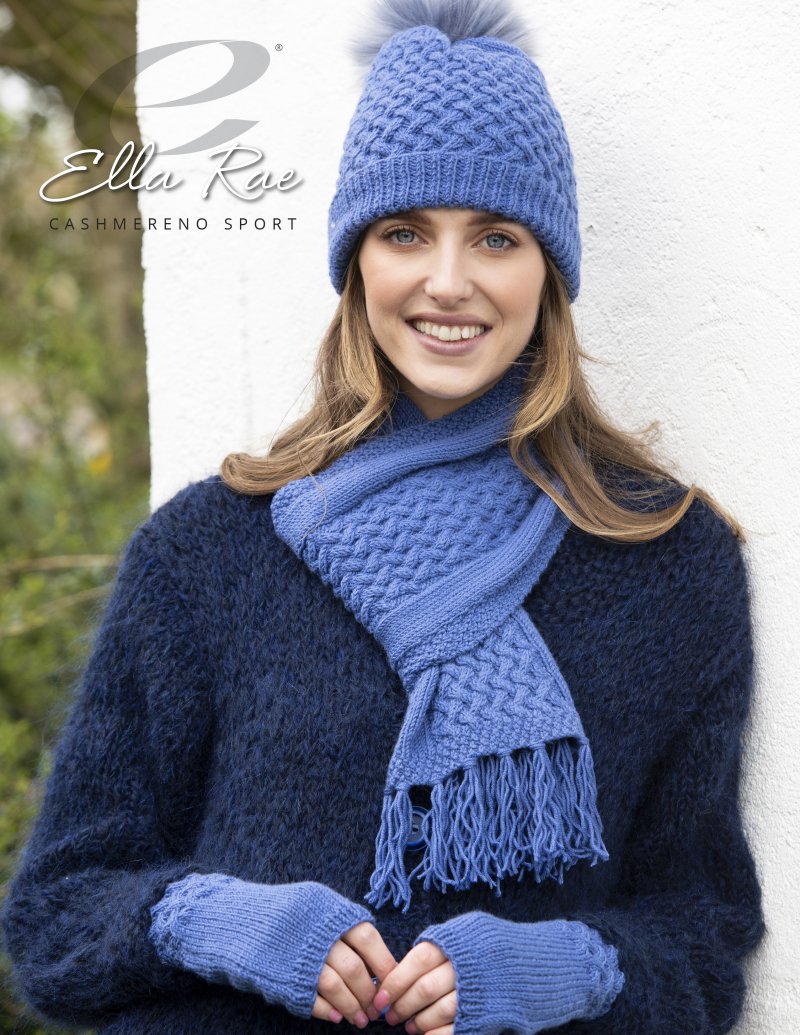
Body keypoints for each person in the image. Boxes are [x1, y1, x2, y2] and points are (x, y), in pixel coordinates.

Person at [1, 1, 766, 1033]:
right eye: (406, 232)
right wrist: (206, 918)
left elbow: (704, 936)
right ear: (357, 258)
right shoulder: (210, 551)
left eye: (495, 237)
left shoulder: (666, 562)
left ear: (547, 268)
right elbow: (54, 917)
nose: (447, 282)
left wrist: (567, 967)